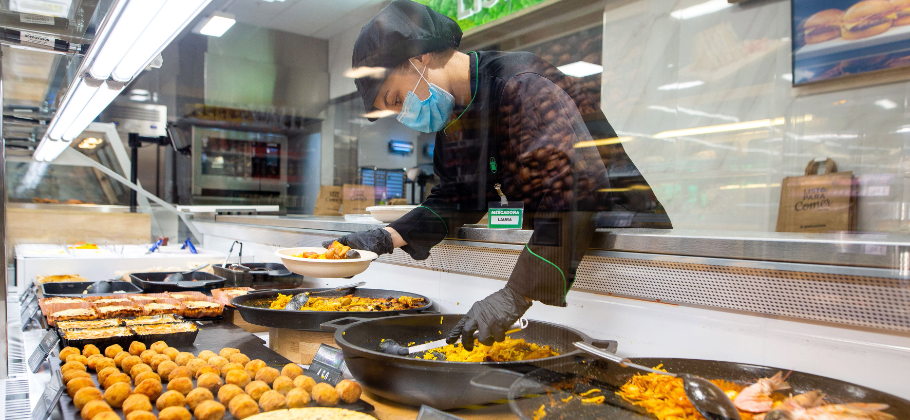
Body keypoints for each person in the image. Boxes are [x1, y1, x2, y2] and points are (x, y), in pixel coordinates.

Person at [325, 0, 668, 351]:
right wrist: (386, 238)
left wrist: (515, 295)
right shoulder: (456, 117)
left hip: (626, 248)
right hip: (565, 250)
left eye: (397, 98)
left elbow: (572, 191)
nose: (404, 114)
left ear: (420, 57)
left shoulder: (520, 84)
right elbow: (457, 196)